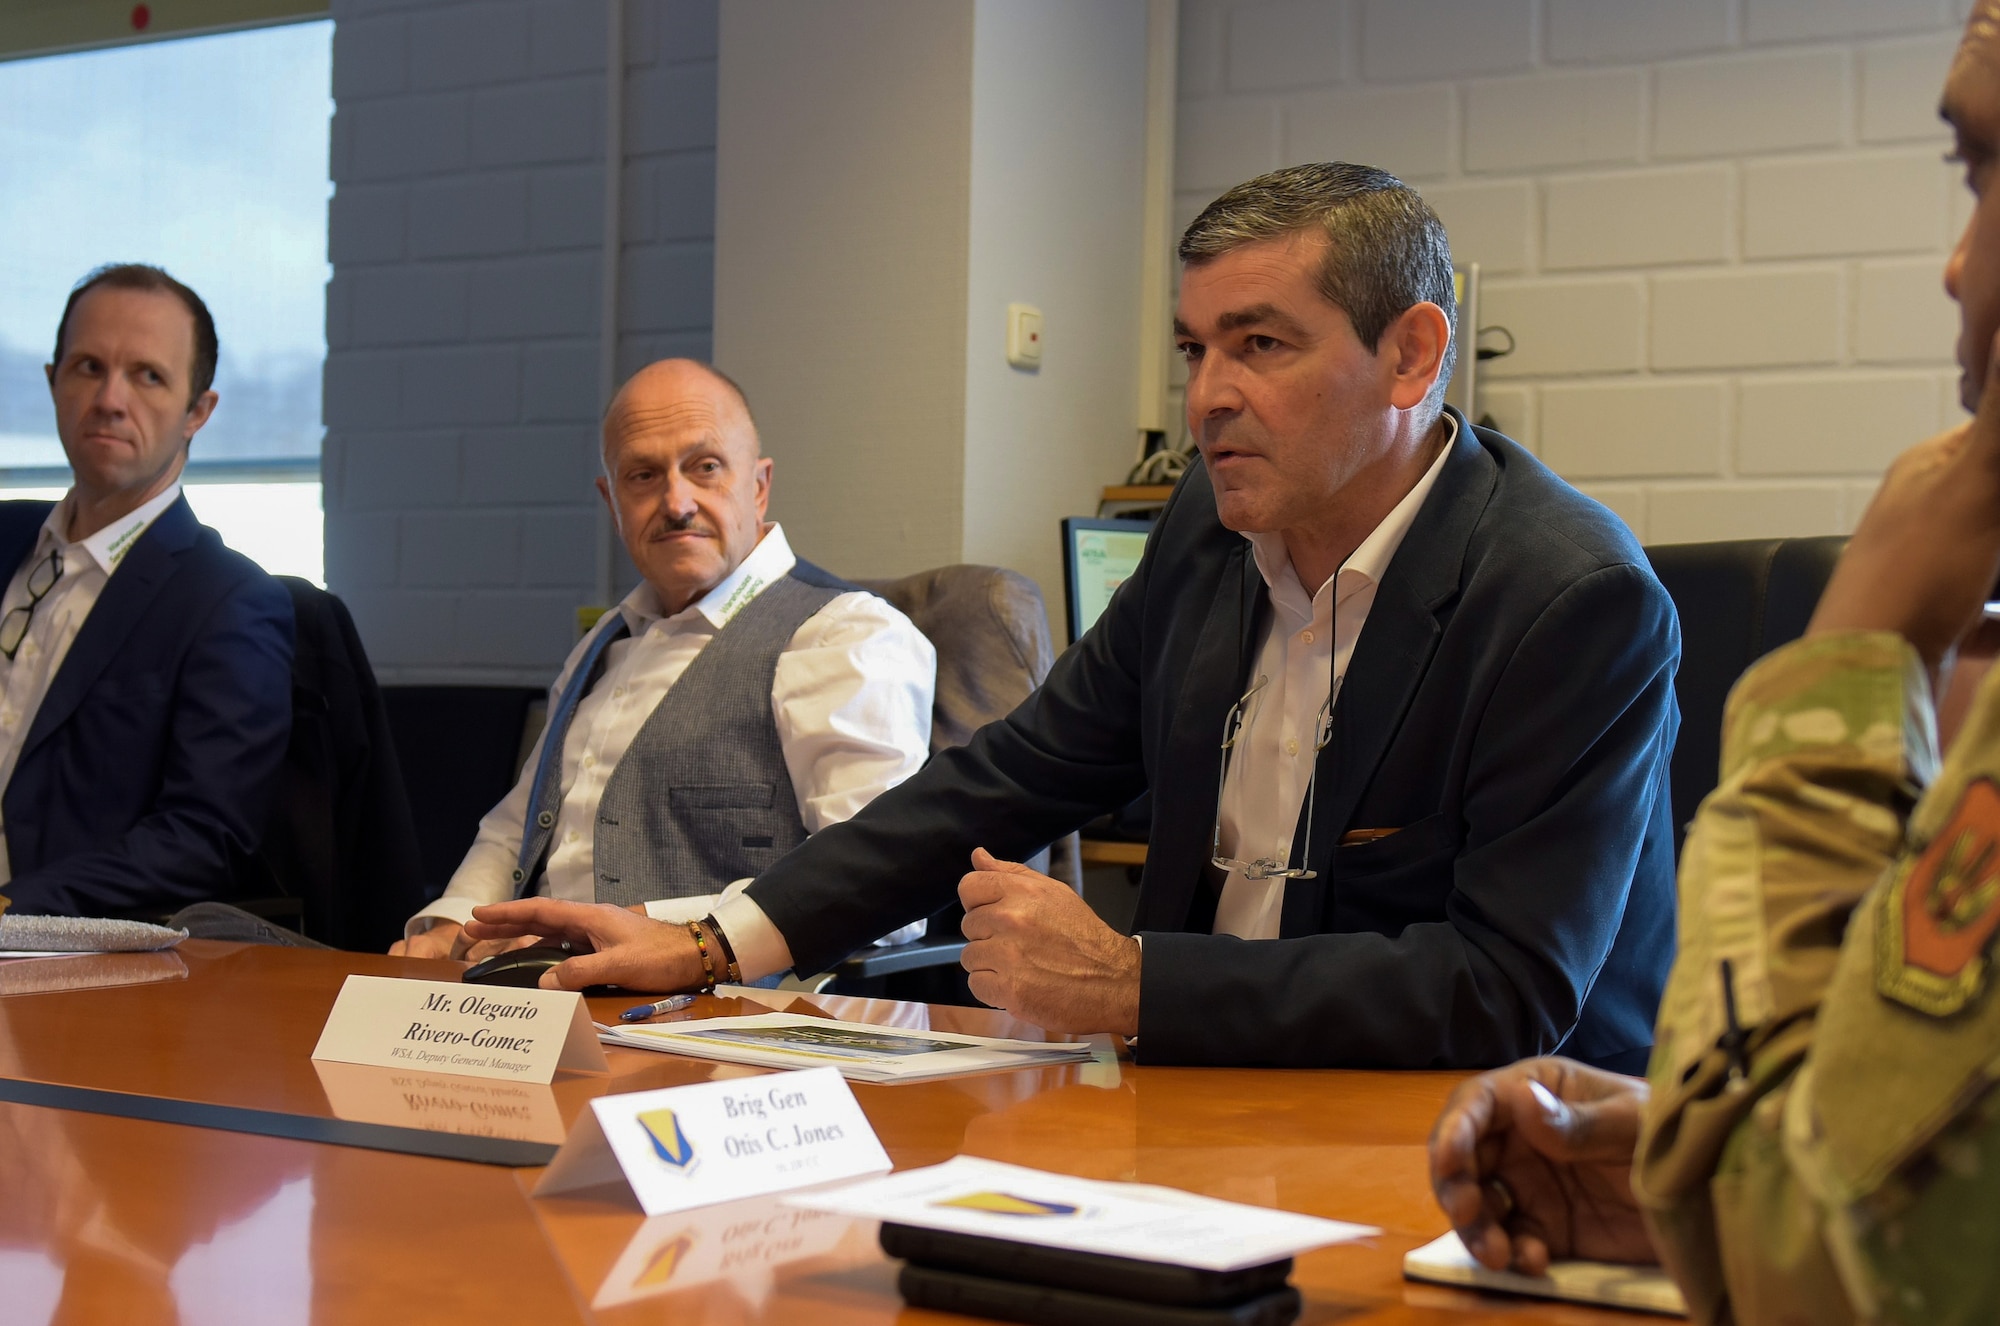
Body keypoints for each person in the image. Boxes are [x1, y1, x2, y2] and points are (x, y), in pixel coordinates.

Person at [464, 163, 1679, 1071]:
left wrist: (1135, 981)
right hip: (1192, 1097)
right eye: (1194, 349)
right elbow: (1002, 780)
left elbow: (1503, 991)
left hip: (1481, 1134)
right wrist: (713, 943)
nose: (1208, 398)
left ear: (1411, 357)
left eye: (1260, 345)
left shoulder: (1572, 601)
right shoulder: (1210, 529)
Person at [1426, 9, 2000, 1319]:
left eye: (1980, 166)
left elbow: (1821, 1275)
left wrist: (1860, 646)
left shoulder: (1570, 582)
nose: (1960, 268)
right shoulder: (1205, 567)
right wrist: (1697, 1177)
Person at [392, 359, 935, 962]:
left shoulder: (845, 634)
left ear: (758, 486)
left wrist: (656, 932)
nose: (677, 503)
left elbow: (880, 887)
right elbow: (518, 827)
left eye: (705, 468)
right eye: (643, 476)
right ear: (611, 499)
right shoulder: (605, 642)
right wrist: (452, 926)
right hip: (540, 999)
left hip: (724, 1015)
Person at [0, 264, 293, 918]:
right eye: (87, 367)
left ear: (198, 411)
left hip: (55, 959)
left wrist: (11, 907)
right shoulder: (5, 538)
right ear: (52, 383)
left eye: (147, 375)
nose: (109, 399)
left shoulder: (230, 601)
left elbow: (202, 837)